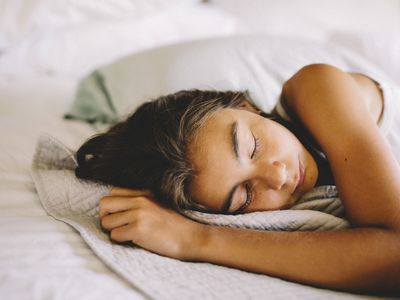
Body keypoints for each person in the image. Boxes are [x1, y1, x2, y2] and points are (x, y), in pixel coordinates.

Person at [75, 63, 400, 296]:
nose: (278, 177)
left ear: (245, 106)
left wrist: (194, 239)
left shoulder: (318, 88)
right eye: (244, 196)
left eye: (252, 146)